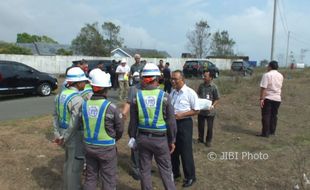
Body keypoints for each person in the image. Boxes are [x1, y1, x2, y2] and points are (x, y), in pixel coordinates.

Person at [128, 63, 177, 190]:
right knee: (166, 170)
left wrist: (132, 137)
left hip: (143, 139)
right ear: (157, 79)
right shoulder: (165, 96)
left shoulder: (136, 97)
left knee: (144, 170)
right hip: (160, 140)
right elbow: (171, 122)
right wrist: (172, 140)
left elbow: (133, 122)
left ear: (144, 79)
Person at [82, 70, 124, 190]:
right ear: (106, 89)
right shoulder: (111, 107)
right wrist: (114, 138)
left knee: (90, 177)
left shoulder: (84, 105)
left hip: (89, 146)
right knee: (108, 178)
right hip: (106, 148)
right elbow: (120, 129)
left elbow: (81, 124)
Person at [53, 67, 89, 190]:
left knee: (68, 162)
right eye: (84, 81)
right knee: (75, 166)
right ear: (78, 83)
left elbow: (55, 116)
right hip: (74, 136)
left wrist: (58, 134)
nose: (85, 83)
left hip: (63, 133)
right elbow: (74, 123)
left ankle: (66, 187)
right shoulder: (78, 99)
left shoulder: (59, 95)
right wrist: (65, 137)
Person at [170, 70, 200, 188]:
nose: (173, 81)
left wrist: (181, 115)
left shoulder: (190, 93)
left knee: (185, 151)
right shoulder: (172, 92)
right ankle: (175, 173)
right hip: (173, 124)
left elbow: (196, 110)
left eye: (175, 79)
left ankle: (190, 176)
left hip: (184, 124)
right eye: (172, 79)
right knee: (173, 149)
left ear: (182, 79)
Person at [121, 71, 143, 180]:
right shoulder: (134, 89)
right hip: (135, 125)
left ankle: (144, 167)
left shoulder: (155, 89)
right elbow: (129, 102)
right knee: (136, 148)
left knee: (146, 148)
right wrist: (124, 113)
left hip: (148, 125)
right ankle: (136, 169)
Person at [258, 60, 283, 137]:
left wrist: (261, 99)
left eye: (268, 66)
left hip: (268, 97)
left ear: (270, 66)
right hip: (277, 98)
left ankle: (265, 133)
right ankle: (272, 131)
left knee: (266, 115)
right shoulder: (281, 75)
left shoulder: (267, 75)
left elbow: (263, 87)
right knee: (274, 115)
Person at [197, 71, 220, 147]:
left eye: (205, 76)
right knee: (201, 126)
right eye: (203, 76)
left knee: (210, 127)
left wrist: (212, 106)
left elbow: (217, 99)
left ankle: (208, 141)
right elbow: (198, 95)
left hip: (210, 112)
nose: (203, 77)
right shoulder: (201, 86)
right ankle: (200, 139)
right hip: (201, 111)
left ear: (210, 77)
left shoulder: (214, 87)